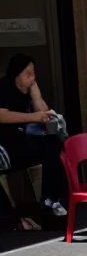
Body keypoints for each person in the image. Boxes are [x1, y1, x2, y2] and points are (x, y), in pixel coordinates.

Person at [0, 54, 67, 217]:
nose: (32, 78)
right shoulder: (4, 88)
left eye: (33, 73)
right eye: (28, 74)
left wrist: (37, 97)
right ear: (16, 74)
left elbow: (46, 116)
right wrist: (33, 117)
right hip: (7, 144)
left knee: (53, 144)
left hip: (24, 141)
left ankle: (51, 199)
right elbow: (2, 115)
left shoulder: (29, 91)